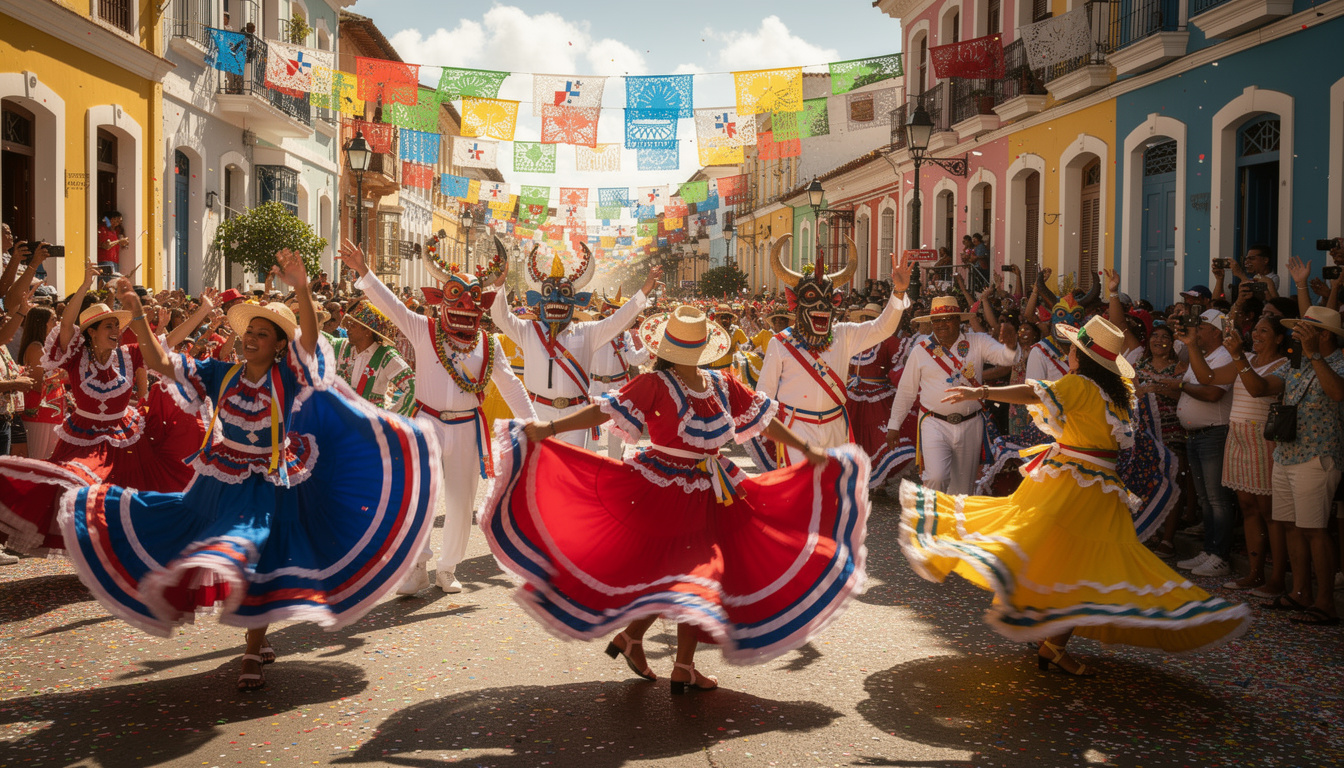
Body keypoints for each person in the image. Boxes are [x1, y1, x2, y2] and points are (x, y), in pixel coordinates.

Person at [60, 259, 439, 691]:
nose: (251, 339)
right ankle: (256, 635)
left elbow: (310, 343)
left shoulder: (288, 376)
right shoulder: (221, 374)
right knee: (193, 536)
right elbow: (162, 362)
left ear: (278, 345)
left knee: (257, 554)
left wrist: (300, 289)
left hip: (274, 480)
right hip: (220, 479)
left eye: (262, 334)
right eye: (249, 333)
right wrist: (139, 314)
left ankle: (252, 648)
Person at [482, 305, 872, 693]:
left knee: (683, 575)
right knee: (690, 576)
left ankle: (637, 641)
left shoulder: (721, 383)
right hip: (665, 490)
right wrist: (550, 427)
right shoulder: (654, 383)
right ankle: (678, 663)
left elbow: (765, 421)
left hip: (716, 488)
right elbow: (603, 411)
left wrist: (808, 448)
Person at [899, 316, 1251, 675]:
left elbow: (1033, 392)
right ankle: (1052, 642)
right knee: (1083, 566)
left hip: (1076, 486)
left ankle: (1048, 637)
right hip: (1091, 485)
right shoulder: (1114, 391)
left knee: (1061, 559)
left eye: (1071, 351)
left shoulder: (1080, 385)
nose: (1067, 356)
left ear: (1081, 358)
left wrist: (982, 392)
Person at [340, 237, 534, 595]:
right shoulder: (423, 329)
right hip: (426, 424)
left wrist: (537, 425)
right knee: (420, 497)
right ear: (438, 298)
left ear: (484, 304)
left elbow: (511, 387)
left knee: (461, 503)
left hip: (465, 429)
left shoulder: (489, 346)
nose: (465, 305)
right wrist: (364, 272)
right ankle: (417, 567)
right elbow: (393, 305)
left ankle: (449, 568)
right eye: (456, 295)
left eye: (474, 298)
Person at [0, 258, 204, 555]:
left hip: (126, 437)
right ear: (92, 332)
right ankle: (91, 548)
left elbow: (168, 342)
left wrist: (203, 311)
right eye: (109, 326)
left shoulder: (130, 354)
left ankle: (116, 551)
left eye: (117, 326)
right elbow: (67, 324)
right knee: (80, 485)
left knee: (126, 496)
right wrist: (85, 284)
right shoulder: (74, 357)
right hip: (83, 438)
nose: (116, 331)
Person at [756, 235, 912, 466]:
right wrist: (764, 429)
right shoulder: (780, 343)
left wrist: (898, 292)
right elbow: (765, 394)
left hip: (835, 427)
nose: (821, 305)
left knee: (833, 495)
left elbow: (883, 328)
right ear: (796, 303)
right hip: (796, 428)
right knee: (804, 494)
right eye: (811, 297)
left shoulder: (844, 334)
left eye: (828, 299)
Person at [490, 244, 660, 450]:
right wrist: (498, 286)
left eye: (563, 293)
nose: (556, 300)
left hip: (574, 415)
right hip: (538, 412)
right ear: (539, 301)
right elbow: (501, 317)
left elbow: (617, 321)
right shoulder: (528, 330)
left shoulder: (586, 332)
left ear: (576, 302)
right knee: (541, 472)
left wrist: (643, 291)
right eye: (549, 294)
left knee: (571, 471)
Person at [887, 296, 1019, 495]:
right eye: (937, 320)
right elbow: (907, 391)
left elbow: (1006, 357)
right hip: (933, 423)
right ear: (931, 323)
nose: (941, 325)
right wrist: (894, 425)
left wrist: (1011, 347)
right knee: (935, 477)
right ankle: (932, 521)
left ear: (959, 320)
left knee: (963, 489)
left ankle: (955, 525)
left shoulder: (978, 341)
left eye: (947, 319)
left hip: (971, 424)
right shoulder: (920, 351)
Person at [1268, 306, 1344, 625]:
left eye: (1304, 330)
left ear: (1323, 334)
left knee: (1314, 529)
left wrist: (1314, 355)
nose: (1296, 335)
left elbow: (1337, 393)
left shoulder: (1339, 361)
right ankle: (1301, 593)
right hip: (1286, 454)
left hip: (1317, 455)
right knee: (1290, 525)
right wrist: (1238, 357)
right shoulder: (1294, 361)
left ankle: (1325, 602)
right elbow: (1261, 388)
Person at [1218, 316, 1289, 595]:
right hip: (1237, 436)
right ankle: (1255, 573)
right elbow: (1208, 378)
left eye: (1265, 331)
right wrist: (1193, 344)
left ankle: (1276, 579)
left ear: (1280, 338)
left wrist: (1238, 356)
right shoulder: (1245, 358)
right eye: (1255, 329)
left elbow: (1258, 389)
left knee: (1270, 512)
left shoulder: (1283, 365)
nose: (1256, 334)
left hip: (1261, 439)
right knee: (1247, 508)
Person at [1173, 309, 1236, 578]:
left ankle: (1220, 555)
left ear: (1215, 331)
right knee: (1206, 500)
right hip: (1197, 435)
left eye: (1200, 328)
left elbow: (1212, 392)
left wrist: (1179, 387)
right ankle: (1209, 550)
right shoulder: (1205, 355)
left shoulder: (1223, 355)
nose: (1195, 331)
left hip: (1214, 433)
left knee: (1218, 500)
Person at [588, 292, 650, 459]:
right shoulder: (595, 331)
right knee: (592, 433)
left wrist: (651, 346)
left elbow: (634, 359)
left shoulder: (625, 336)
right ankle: (589, 469)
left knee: (615, 436)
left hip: (617, 387)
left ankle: (613, 468)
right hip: (595, 386)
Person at [330, 299, 415, 416]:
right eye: (348, 324)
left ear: (368, 331)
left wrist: (391, 418)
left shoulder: (387, 356)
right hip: (338, 423)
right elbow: (316, 338)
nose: (347, 329)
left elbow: (413, 388)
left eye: (353, 325)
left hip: (369, 428)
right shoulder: (341, 346)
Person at [18, 305, 65, 460]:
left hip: (50, 414)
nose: (57, 323)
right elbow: (38, 385)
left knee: (49, 461)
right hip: (39, 414)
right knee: (38, 462)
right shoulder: (36, 347)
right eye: (53, 320)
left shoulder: (46, 347)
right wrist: (63, 376)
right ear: (42, 323)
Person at [96, 211, 129, 278]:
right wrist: (119, 241)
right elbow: (106, 246)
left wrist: (123, 242)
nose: (118, 223)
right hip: (104, 261)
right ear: (111, 219)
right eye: (117, 221)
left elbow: (121, 242)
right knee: (108, 282)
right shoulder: (102, 229)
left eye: (120, 222)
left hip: (114, 261)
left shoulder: (115, 230)